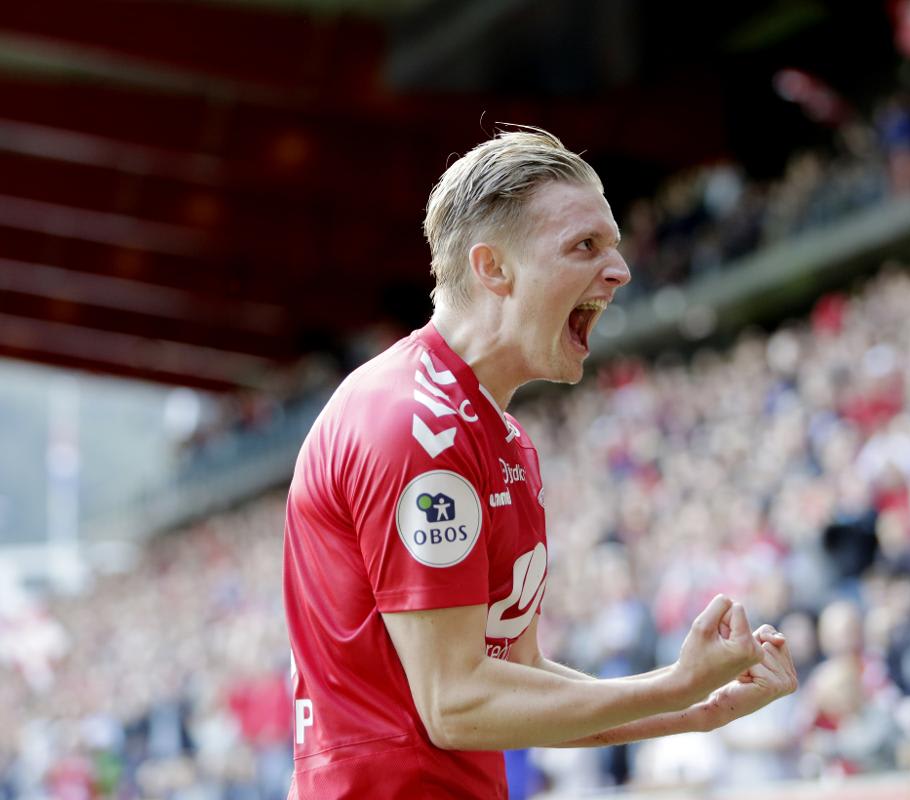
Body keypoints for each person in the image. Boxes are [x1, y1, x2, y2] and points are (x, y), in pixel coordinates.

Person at [282, 127, 798, 799]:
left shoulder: (501, 438)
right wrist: (673, 688)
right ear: (494, 269)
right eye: (585, 246)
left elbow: (518, 682)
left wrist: (695, 709)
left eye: (614, 245)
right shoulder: (415, 424)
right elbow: (455, 703)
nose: (621, 270)